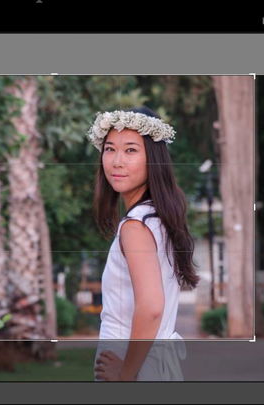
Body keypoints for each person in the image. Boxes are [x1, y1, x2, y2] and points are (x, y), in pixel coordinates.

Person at [88, 107, 199, 381]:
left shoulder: (136, 226)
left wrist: (126, 377)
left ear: (154, 159)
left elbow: (151, 307)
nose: (116, 161)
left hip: (130, 364)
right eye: (110, 149)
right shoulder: (156, 219)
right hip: (150, 365)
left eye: (130, 150)